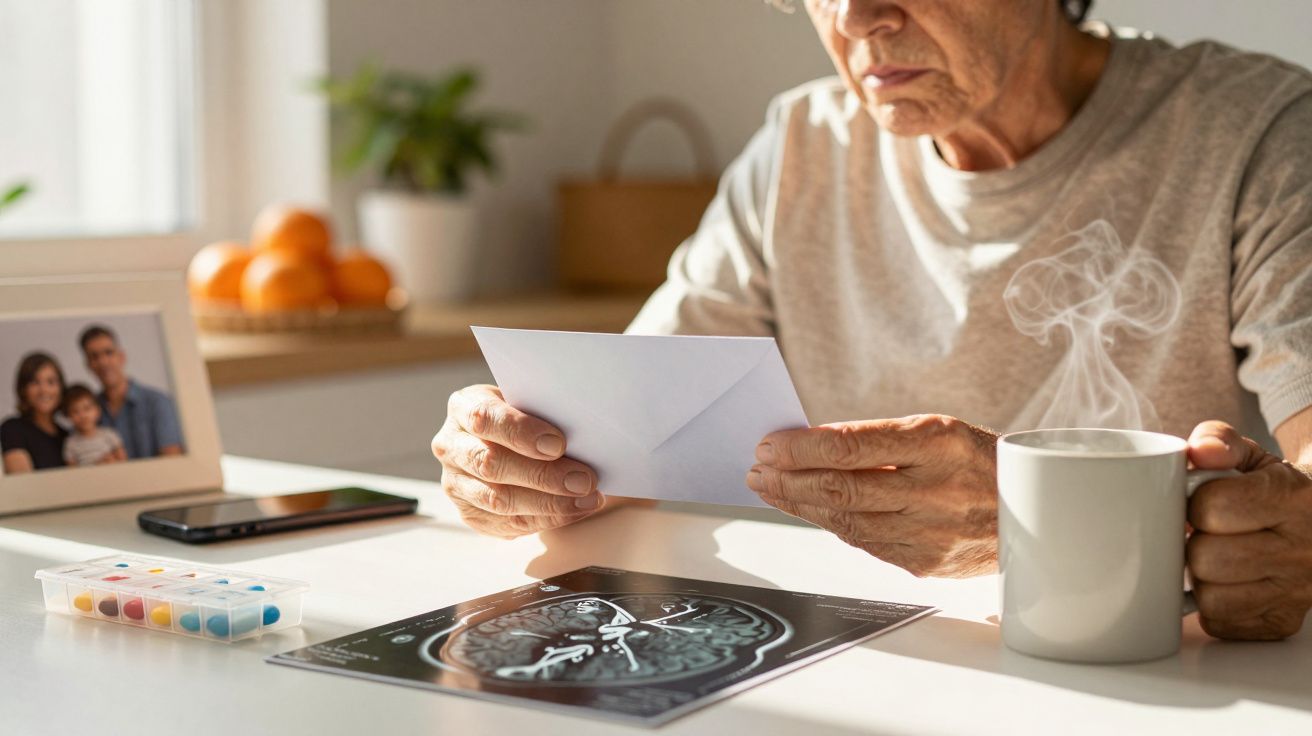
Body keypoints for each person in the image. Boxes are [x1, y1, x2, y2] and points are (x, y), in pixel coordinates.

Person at [433, 0, 1312, 640]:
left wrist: (1270, 538)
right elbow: (628, 425)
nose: (854, 17)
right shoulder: (801, 145)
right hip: (868, 664)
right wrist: (526, 461)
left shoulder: (1259, 135)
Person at [79, 325, 184, 459]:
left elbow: (173, 460)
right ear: (88, 365)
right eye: (94, 357)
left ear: (121, 357)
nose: (103, 362)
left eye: (108, 352)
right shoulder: (86, 410)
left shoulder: (158, 402)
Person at [1, 352, 68, 474]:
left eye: (51, 382)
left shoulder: (67, 436)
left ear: (61, 388)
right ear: (23, 389)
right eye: (35, 382)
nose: (44, 390)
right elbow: (23, 484)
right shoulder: (13, 429)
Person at [61, 384, 126, 467]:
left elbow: (124, 462)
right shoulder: (70, 444)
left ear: (97, 411)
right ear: (69, 416)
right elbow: (71, 472)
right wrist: (96, 466)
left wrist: (112, 461)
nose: (83, 415)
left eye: (87, 408)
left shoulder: (109, 434)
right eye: (75, 411)